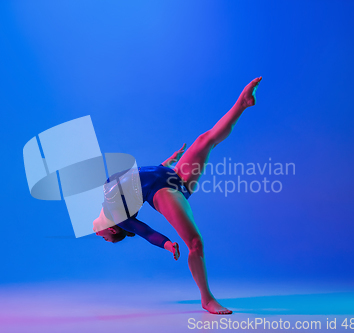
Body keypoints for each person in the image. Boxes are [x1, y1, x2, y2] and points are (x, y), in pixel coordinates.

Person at [93, 77, 262, 314]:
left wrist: (166, 162)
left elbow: (138, 179)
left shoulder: (111, 199)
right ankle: (207, 299)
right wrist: (167, 244)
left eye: (102, 238)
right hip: (164, 191)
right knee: (195, 243)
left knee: (206, 140)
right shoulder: (118, 217)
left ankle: (242, 104)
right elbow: (147, 232)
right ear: (112, 229)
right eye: (104, 238)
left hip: (169, 175)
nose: (99, 236)